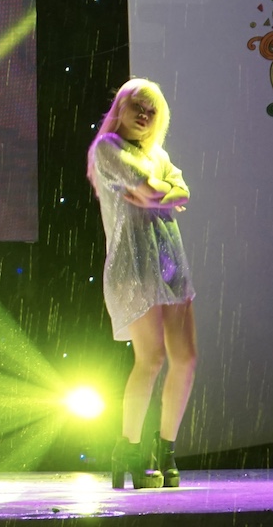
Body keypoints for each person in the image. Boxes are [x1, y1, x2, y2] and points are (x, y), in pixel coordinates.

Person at [87, 78, 195, 489]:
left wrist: (159, 194)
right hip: (133, 267)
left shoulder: (158, 154)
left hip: (171, 265)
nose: (145, 115)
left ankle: (165, 450)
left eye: (152, 110)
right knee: (150, 360)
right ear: (120, 108)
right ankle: (128, 450)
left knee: (185, 358)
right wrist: (163, 192)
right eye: (138, 106)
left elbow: (182, 191)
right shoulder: (107, 148)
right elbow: (155, 188)